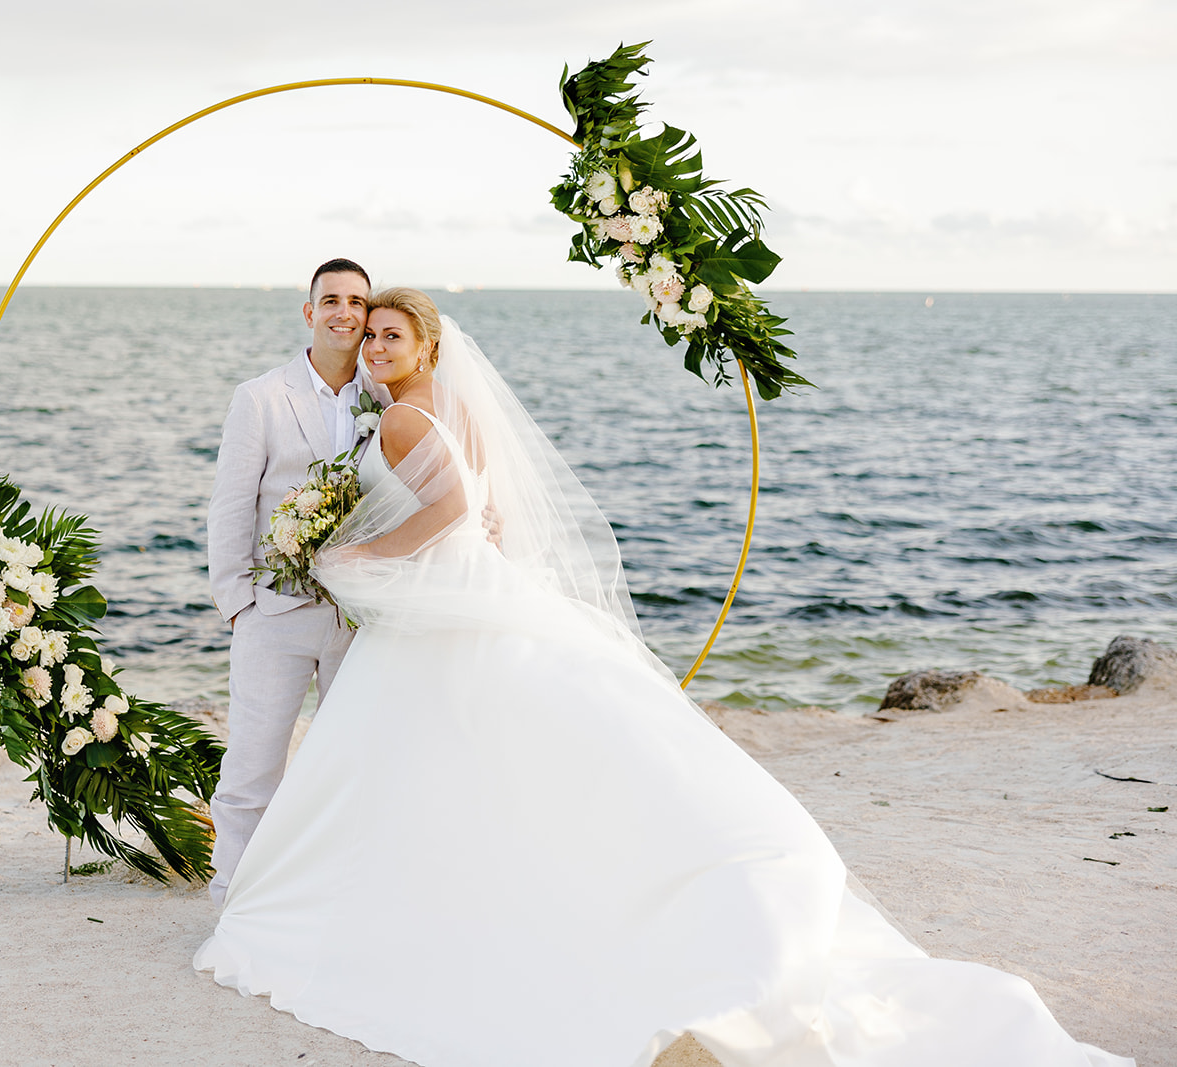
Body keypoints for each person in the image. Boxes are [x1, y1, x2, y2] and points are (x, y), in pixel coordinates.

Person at [195, 288, 1131, 1067]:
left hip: (432, 605)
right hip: (455, 598)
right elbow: (482, 510)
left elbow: (453, 506)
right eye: (368, 332)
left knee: (420, 751)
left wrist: (361, 563)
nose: (374, 343)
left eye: (390, 332)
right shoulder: (436, 403)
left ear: (423, 344)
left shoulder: (403, 410)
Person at [205, 258, 376, 908]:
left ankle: (335, 895)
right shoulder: (261, 396)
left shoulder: (382, 398)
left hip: (358, 620)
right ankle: (233, 896)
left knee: (347, 765)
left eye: (357, 302)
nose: (344, 312)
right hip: (272, 613)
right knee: (252, 766)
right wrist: (237, 604)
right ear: (309, 312)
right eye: (330, 299)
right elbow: (231, 503)